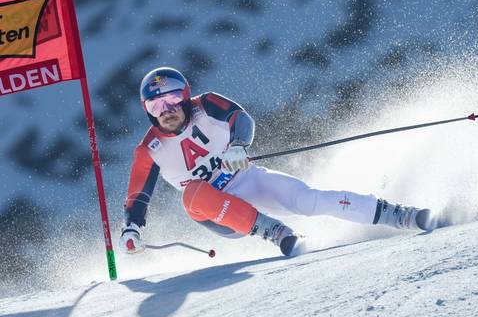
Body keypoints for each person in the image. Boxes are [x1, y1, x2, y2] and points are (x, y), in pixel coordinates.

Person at [120, 67, 431, 257]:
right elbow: (138, 195)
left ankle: (397, 215)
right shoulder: (150, 148)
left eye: (172, 99)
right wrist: (131, 228)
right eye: (156, 104)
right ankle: (275, 232)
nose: (166, 109)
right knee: (192, 195)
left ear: (185, 97)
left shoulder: (206, 105)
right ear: (148, 110)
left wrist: (239, 145)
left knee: (308, 200)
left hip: (248, 180)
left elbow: (240, 118)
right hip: (220, 214)